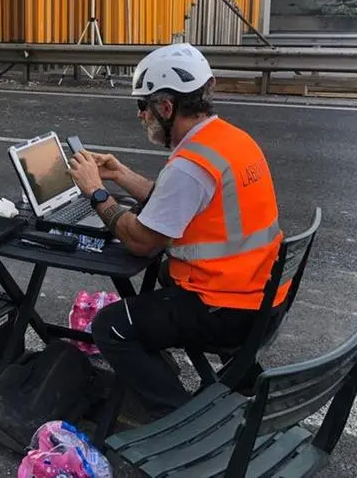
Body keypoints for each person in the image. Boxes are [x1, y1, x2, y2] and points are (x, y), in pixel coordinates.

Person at [66, 43, 285, 414]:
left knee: (110, 327)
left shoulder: (191, 165)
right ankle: (241, 376)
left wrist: (97, 192)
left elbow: (141, 241)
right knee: (163, 280)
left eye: (143, 106)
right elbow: (175, 204)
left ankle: (177, 418)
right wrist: (120, 175)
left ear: (165, 108)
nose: (141, 115)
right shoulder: (230, 140)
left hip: (229, 311)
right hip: (263, 297)